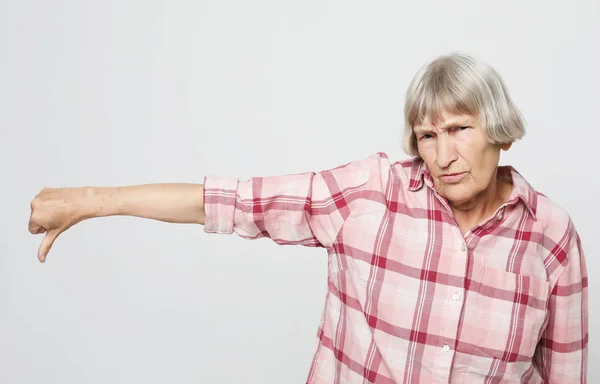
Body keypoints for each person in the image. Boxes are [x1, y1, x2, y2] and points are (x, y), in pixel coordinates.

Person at [28, 52, 588, 383]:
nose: (443, 155)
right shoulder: (369, 195)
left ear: (497, 128)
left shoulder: (551, 236)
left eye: (460, 129)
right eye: (427, 136)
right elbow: (236, 201)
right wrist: (90, 201)